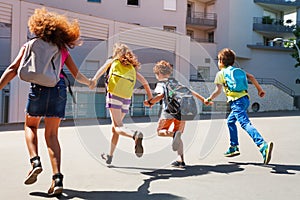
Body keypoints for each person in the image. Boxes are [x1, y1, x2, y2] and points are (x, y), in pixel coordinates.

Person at [0, 8, 91, 196]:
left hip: (38, 90)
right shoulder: (62, 49)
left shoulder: (30, 45)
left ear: (38, 27)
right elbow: (76, 75)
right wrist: (90, 82)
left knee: (31, 126)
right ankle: (57, 178)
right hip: (58, 89)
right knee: (52, 135)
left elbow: (12, 68)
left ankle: (35, 162)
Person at [204, 48, 273, 164]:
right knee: (230, 121)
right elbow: (251, 77)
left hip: (236, 102)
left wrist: (209, 99)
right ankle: (233, 147)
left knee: (245, 123)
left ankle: (262, 145)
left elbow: (218, 91)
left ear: (221, 61)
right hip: (245, 99)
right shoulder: (238, 70)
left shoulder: (221, 74)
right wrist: (259, 90)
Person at [89, 43, 153, 165]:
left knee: (118, 127)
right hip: (127, 98)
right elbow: (144, 82)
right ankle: (110, 156)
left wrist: (94, 80)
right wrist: (150, 98)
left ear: (116, 53)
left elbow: (102, 69)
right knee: (115, 129)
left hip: (115, 95)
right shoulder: (131, 67)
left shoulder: (113, 61)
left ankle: (134, 135)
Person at [144, 60, 211, 168]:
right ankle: (180, 160)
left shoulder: (161, 83)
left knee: (160, 132)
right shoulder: (175, 82)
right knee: (178, 135)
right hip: (181, 112)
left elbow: (161, 95)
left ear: (159, 73)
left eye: (156, 74)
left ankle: (173, 134)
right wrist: (203, 100)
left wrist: (150, 102)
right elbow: (190, 91)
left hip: (168, 112)